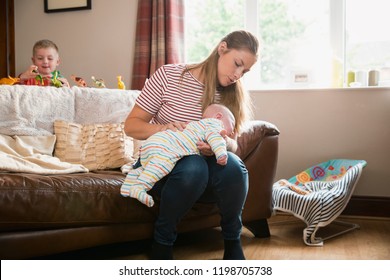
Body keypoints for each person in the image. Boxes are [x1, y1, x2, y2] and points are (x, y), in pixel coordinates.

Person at [124, 30, 258, 260]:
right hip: (165, 169)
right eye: (237, 64)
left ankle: (232, 242)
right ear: (222, 48)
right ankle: (162, 242)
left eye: (244, 71)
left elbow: (234, 146)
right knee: (194, 165)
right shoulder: (169, 76)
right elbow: (131, 126)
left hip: (208, 176)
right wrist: (163, 128)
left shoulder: (231, 95)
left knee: (235, 166)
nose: (238, 75)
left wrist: (224, 143)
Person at [120, 103, 236, 208]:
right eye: (231, 125)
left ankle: (129, 184)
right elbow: (215, 138)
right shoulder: (215, 124)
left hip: (153, 143)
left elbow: (233, 143)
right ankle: (139, 187)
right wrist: (221, 153)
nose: (231, 132)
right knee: (164, 163)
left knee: (148, 165)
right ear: (218, 116)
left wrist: (226, 142)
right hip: (167, 146)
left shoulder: (195, 125)